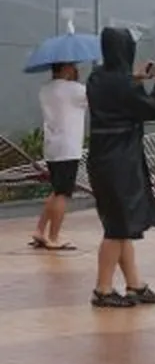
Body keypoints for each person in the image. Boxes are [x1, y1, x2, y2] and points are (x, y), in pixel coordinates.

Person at [85, 27, 155, 308]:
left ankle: (134, 284)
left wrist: (136, 77)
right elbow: (153, 108)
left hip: (102, 158)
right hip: (120, 161)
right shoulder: (123, 84)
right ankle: (103, 288)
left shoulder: (95, 78)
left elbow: (116, 85)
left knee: (121, 224)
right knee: (117, 228)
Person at [31, 62, 87, 251]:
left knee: (57, 190)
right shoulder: (74, 89)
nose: (75, 69)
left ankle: (40, 230)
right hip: (68, 148)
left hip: (52, 147)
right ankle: (53, 237)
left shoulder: (45, 90)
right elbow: (98, 98)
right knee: (63, 193)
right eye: (72, 66)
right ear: (64, 68)